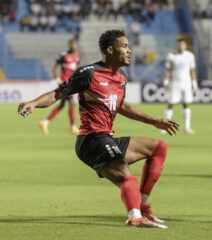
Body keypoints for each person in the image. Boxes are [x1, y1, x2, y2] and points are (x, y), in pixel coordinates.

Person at [18, 30, 180, 228]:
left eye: (129, 46)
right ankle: (134, 216)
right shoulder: (89, 73)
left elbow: (122, 106)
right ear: (110, 50)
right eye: (125, 46)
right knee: (125, 175)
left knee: (158, 147)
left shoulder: (121, 78)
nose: (130, 51)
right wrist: (33, 103)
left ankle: (144, 207)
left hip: (107, 138)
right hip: (91, 140)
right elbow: (57, 94)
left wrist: (154, 121)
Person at [39, 39, 80, 135]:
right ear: (69, 44)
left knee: (62, 105)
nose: (73, 46)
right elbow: (54, 68)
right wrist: (57, 78)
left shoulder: (77, 57)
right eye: (72, 44)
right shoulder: (64, 55)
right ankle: (73, 127)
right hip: (64, 83)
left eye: (75, 44)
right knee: (70, 103)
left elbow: (76, 69)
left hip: (71, 83)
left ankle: (45, 122)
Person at [162, 39, 197, 134]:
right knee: (171, 104)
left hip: (186, 84)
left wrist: (194, 83)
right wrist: (166, 82)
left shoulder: (190, 56)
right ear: (177, 45)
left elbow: (192, 70)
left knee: (186, 104)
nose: (181, 46)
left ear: (185, 46)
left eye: (183, 44)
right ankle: (165, 127)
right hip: (175, 84)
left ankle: (187, 127)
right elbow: (168, 70)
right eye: (180, 44)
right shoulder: (171, 56)